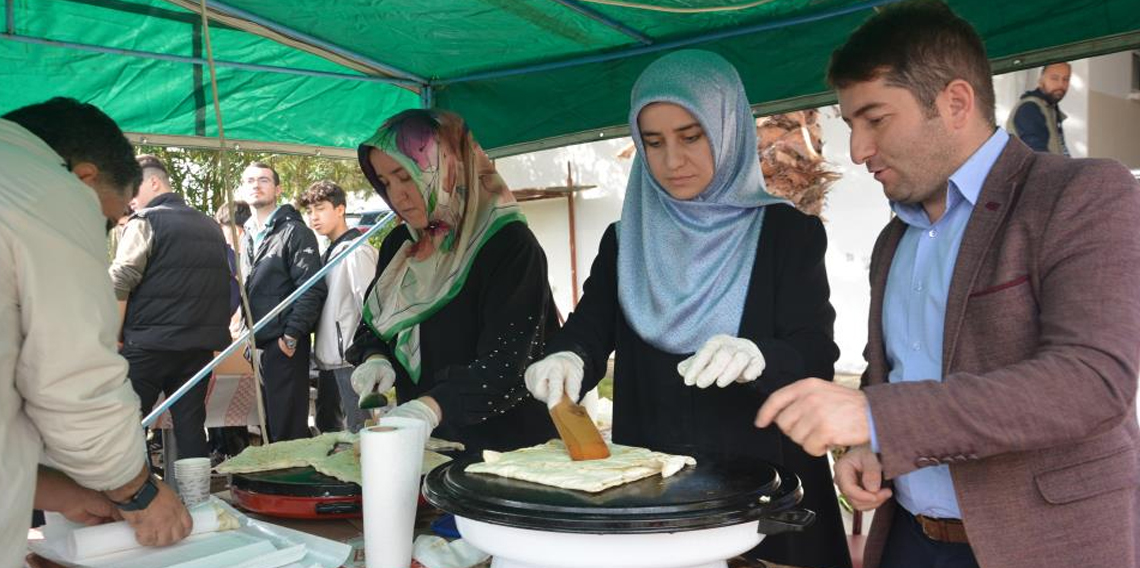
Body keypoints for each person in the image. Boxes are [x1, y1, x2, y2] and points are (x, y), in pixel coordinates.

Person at [755, 3, 1140, 567]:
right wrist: (871, 443)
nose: (858, 150)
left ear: (955, 103)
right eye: (851, 126)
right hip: (908, 538)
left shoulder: (1078, 195)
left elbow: (1091, 381)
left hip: (1041, 545)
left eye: (876, 119)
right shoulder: (894, 240)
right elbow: (900, 366)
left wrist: (876, 416)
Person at [524, 50, 850, 568]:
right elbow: (590, 328)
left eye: (691, 136)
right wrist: (566, 357)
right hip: (657, 495)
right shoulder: (626, 240)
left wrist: (761, 356)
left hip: (764, 494)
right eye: (652, 143)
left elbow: (815, 353)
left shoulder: (788, 234)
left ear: (727, 128)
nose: (672, 160)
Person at [0, 97, 191, 565]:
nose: (103, 231)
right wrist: (137, 492)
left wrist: (56, 490)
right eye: (106, 219)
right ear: (84, 179)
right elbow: (72, 382)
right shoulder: (49, 193)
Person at [347, 108, 558, 453]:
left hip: (503, 454)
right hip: (426, 447)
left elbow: (509, 365)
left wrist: (430, 407)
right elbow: (375, 323)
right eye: (385, 182)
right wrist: (374, 358)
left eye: (405, 176)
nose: (397, 195)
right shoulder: (403, 245)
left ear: (447, 167)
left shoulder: (509, 246)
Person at [109, 154, 232, 460]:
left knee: (126, 428)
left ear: (153, 182)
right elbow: (227, 287)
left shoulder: (145, 221)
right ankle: (196, 500)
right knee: (192, 428)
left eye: (131, 189)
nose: (129, 199)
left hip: (148, 344)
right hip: (198, 349)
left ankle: (138, 502)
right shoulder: (211, 226)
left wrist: (112, 336)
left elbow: (120, 280)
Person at [240, 162, 327, 442]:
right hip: (258, 345)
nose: (256, 184)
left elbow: (311, 288)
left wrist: (290, 337)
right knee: (270, 430)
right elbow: (247, 290)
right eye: (250, 180)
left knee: (288, 431)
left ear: (277, 189)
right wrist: (245, 335)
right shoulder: (248, 233)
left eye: (264, 180)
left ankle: (290, 485)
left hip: (284, 345)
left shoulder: (294, 231)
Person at [297, 180, 378, 433]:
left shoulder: (356, 250)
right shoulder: (330, 252)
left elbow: (370, 306)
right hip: (329, 359)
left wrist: (365, 353)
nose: (313, 217)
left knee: (358, 430)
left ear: (340, 209)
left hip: (350, 359)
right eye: (309, 211)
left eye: (320, 208)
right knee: (329, 430)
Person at [1005, 62, 1071, 155]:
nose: (1060, 84)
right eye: (1054, 78)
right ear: (1040, 81)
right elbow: (1038, 157)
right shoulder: (1030, 109)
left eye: (1066, 79)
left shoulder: (1050, 108)